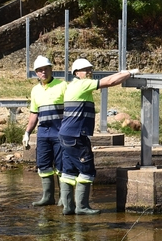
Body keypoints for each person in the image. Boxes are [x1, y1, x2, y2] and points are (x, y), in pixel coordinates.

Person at [58, 58, 138, 215]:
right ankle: (82, 207)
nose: (89, 72)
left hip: (65, 135)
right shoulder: (82, 84)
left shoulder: (72, 85)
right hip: (76, 136)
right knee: (87, 170)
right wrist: (127, 74)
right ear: (76, 73)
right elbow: (108, 82)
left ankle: (68, 208)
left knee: (68, 171)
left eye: (90, 69)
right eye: (85, 70)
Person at [22, 56, 67, 207]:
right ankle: (48, 197)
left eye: (46, 69)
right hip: (43, 134)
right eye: (40, 70)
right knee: (44, 165)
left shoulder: (62, 86)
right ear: (36, 73)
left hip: (60, 132)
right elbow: (34, 113)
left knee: (62, 165)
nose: (43, 72)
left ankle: (63, 198)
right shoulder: (35, 90)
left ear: (51, 69)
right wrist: (27, 132)